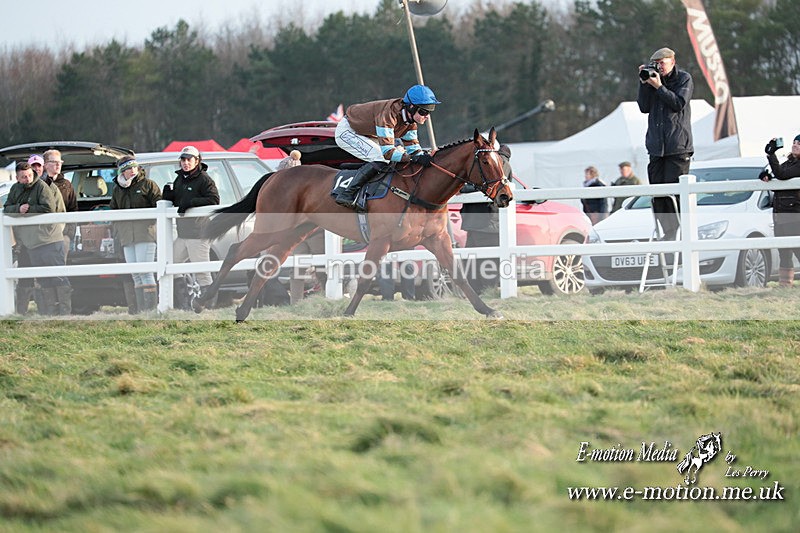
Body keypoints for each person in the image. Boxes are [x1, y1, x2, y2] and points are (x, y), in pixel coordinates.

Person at [333, 84, 440, 209]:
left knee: (399, 152)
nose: (427, 116)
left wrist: (427, 157)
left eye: (429, 111)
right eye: (424, 111)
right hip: (348, 131)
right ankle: (347, 194)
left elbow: (414, 150)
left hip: (366, 133)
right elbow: (388, 153)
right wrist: (413, 158)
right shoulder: (389, 114)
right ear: (411, 107)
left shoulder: (410, 123)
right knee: (382, 157)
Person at [637, 47, 693, 241]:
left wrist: (659, 86)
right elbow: (644, 107)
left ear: (672, 61)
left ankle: (679, 234)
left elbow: (678, 103)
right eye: (656, 63)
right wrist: (645, 83)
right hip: (656, 148)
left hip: (677, 147)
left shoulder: (683, 78)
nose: (659, 66)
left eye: (663, 62)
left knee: (674, 193)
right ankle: (669, 233)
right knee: (657, 194)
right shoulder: (651, 80)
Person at [3, 162, 71, 315]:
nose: (27, 179)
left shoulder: (42, 186)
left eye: (28, 175)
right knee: (43, 279)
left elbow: (49, 207)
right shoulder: (15, 189)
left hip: (49, 240)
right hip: (31, 243)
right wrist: (18, 208)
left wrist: (28, 210)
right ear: (17, 177)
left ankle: (65, 314)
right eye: (23, 177)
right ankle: (50, 314)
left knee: (58, 277)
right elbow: (7, 208)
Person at [161, 146, 220, 308]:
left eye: (189, 159)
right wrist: (169, 197)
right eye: (183, 160)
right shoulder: (180, 178)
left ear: (197, 161)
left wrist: (191, 203)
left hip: (199, 233)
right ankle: (185, 305)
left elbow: (214, 199)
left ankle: (209, 307)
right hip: (183, 233)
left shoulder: (204, 179)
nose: (186, 163)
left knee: (202, 272)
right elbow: (179, 200)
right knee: (172, 265)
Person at [108, 155, 162, 312]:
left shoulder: (148, 184)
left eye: (134, 167)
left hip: (144, 234)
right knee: (135, 274)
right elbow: (113, 211)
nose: (132, 171)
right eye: (128, 168)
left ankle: (150, 310)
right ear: (122, 172)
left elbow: (159, 204)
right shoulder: (118, 190)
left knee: (145, 272)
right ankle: (140, 310)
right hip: (126, 237)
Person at [459, 144, 514, 293]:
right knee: (476, 261)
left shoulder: (501, 163)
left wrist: (462, 188)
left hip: (487, 221)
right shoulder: (495, 162)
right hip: (482, 221)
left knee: (484, 262)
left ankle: (487, 292)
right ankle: (478, 292)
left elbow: (488, 185)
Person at [761, 134, 800, 287]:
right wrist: (766, 176)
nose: (795, 145)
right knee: (783, 252)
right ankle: (785, 285)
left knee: (797, 250)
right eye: (794, 142)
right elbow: (777, 174)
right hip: (780, 215)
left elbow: (782, 175)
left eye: (799, 143)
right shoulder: (789, 162)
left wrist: (771, 154)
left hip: (794, 215)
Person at [42, 149, 78, 255]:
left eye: (60, 162)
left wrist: (69, 233)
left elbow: (73, 209)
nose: (58, 164)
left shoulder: (67, 185)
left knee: (61, 265)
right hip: (42, 236)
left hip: (63, 233)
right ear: (45, 165)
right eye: (54, 162)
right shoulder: (39, 184)